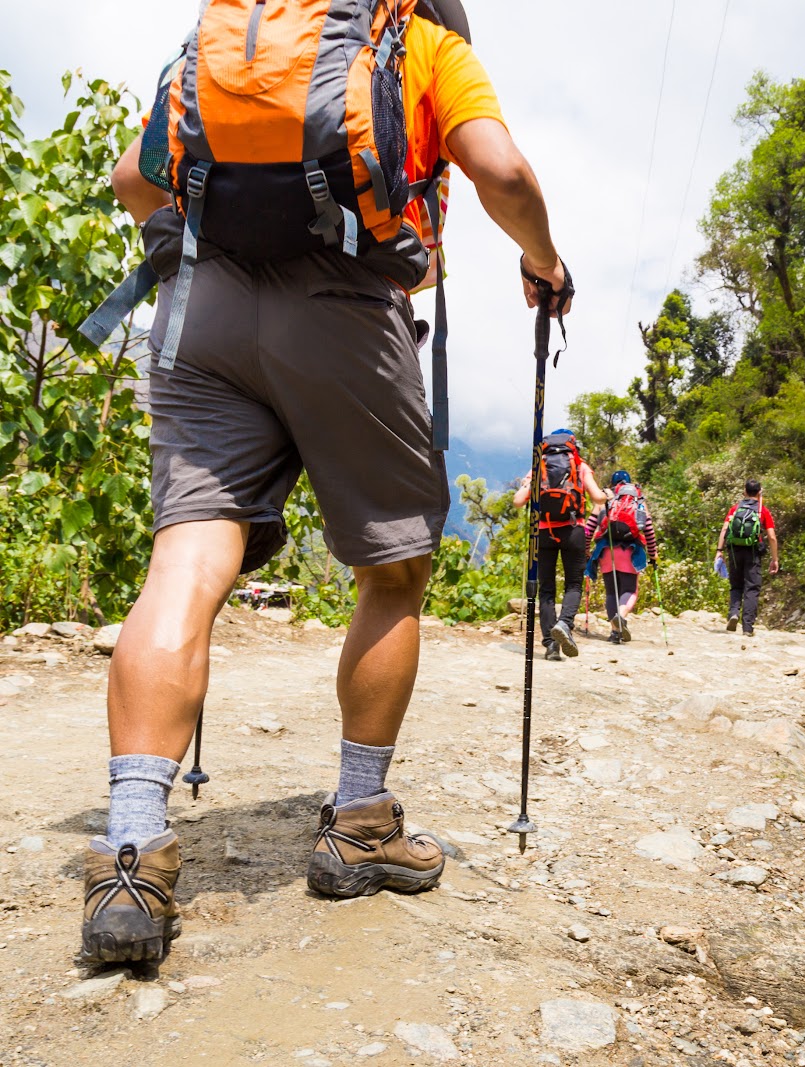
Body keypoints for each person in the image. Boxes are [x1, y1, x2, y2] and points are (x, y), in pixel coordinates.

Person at [82, 4, 572, 965]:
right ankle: (357, 824)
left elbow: (136, 180)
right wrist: (542, 259)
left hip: (201, 309)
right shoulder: (421, 43)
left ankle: (129, 851)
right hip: (346, 306)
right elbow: (502, 172)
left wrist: (214, 256)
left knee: (185, 559)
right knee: (392, 569)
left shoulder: (229, 38)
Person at [512, 430, 609, 661]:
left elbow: (517, 501)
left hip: (543, 533)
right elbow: (597, 498)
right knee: (573, 584)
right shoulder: (579, 464)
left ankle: (551, 645)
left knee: (546, 590)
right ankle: (565, 624)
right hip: (573, 530)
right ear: (573, 445)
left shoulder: (539, 467)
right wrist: (606, 495)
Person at [583, 471, 660, 643]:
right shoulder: (638, 501)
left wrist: (586, 550)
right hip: (630, 551)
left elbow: (588, 529)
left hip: (605, 551)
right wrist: (653, 554)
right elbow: (648, 529)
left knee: (611, 592)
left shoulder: (603, 500)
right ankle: (622, 616)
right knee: (629, 590)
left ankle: (615, 631)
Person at [715, 479, 779, 636]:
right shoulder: (762, 511)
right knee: (752, 587)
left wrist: (719, 550)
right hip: (753, 552)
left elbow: (724, 529)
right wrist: (775, 558)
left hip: (734, 551)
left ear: (744, 491)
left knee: (736, 585)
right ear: (759, 492)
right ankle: (748, 628)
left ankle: (733, 613)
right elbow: (771, 536)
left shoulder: (735, 509)